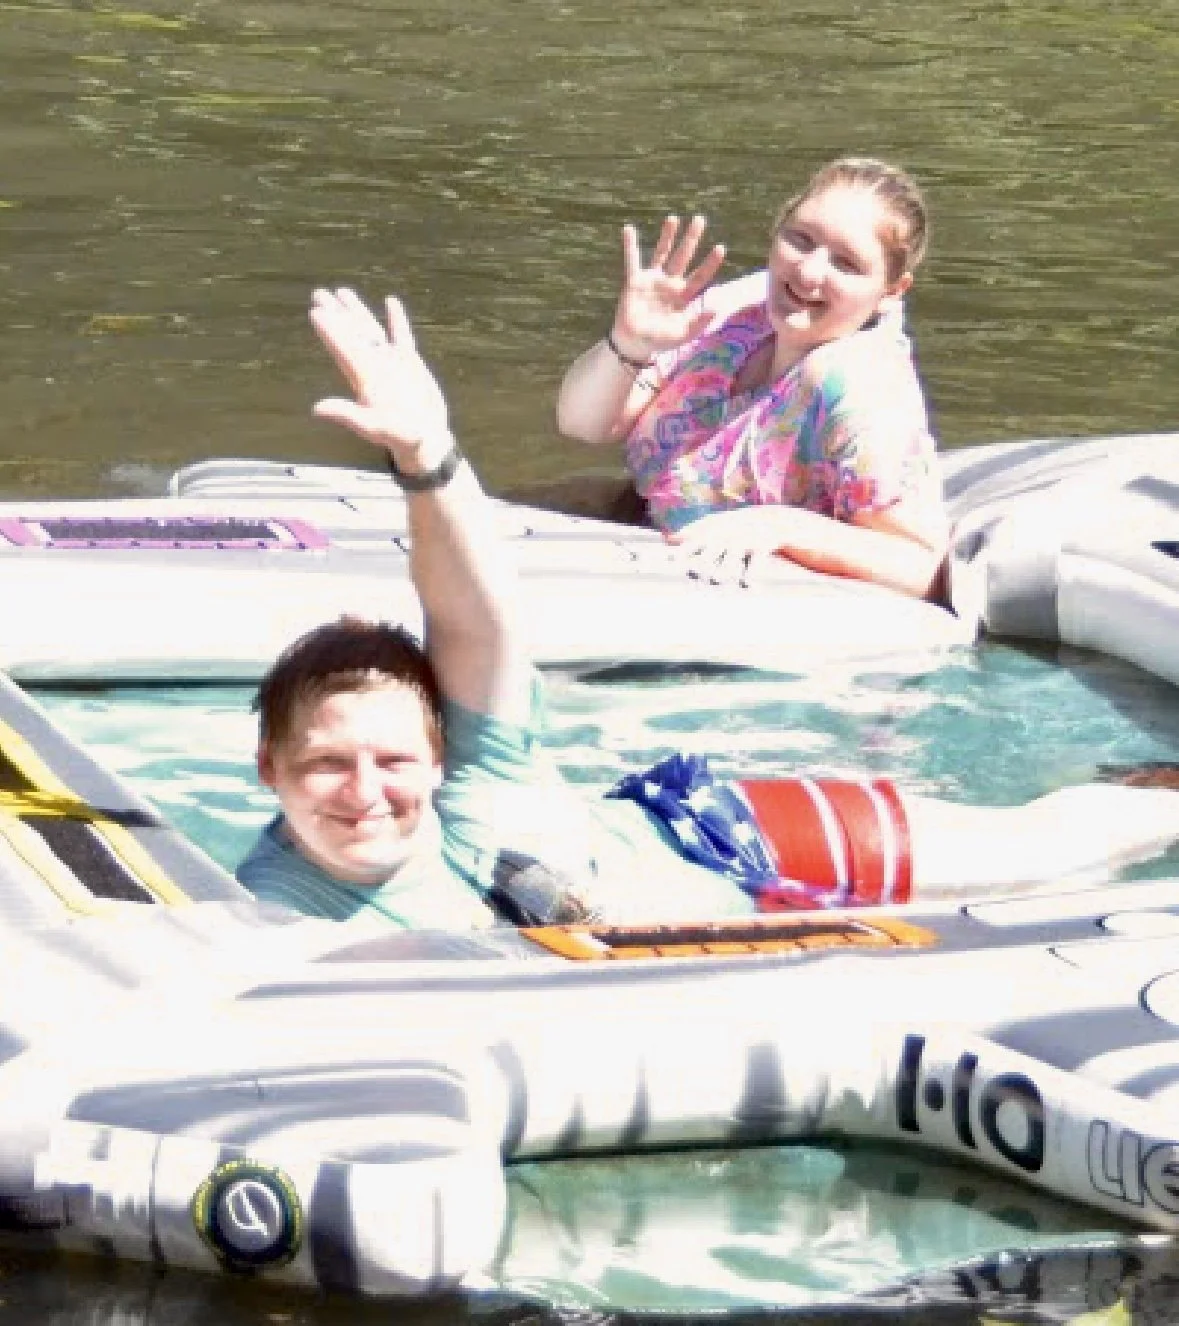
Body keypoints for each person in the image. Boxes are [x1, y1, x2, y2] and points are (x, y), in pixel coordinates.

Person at [236, 286, 1179, 930]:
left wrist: (427, 459)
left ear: (440, 756)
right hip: (681, 929)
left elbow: (475, 619)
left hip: (740, 841)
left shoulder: (480, 783)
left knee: (1070, 843)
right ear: (267, 769)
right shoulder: (273, 901)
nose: (366, 793)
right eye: (326, 765)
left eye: (393, 759)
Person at [556, 157, 948, 601]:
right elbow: (583, 424)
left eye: (847, 264)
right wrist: (629, 344)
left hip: (742, 607)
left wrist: (783, 527)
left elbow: (919, 566)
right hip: (646, 537)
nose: (809, 272)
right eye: (801, 240)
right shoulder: (740, 315)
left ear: (892, 291)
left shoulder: (860, 385)